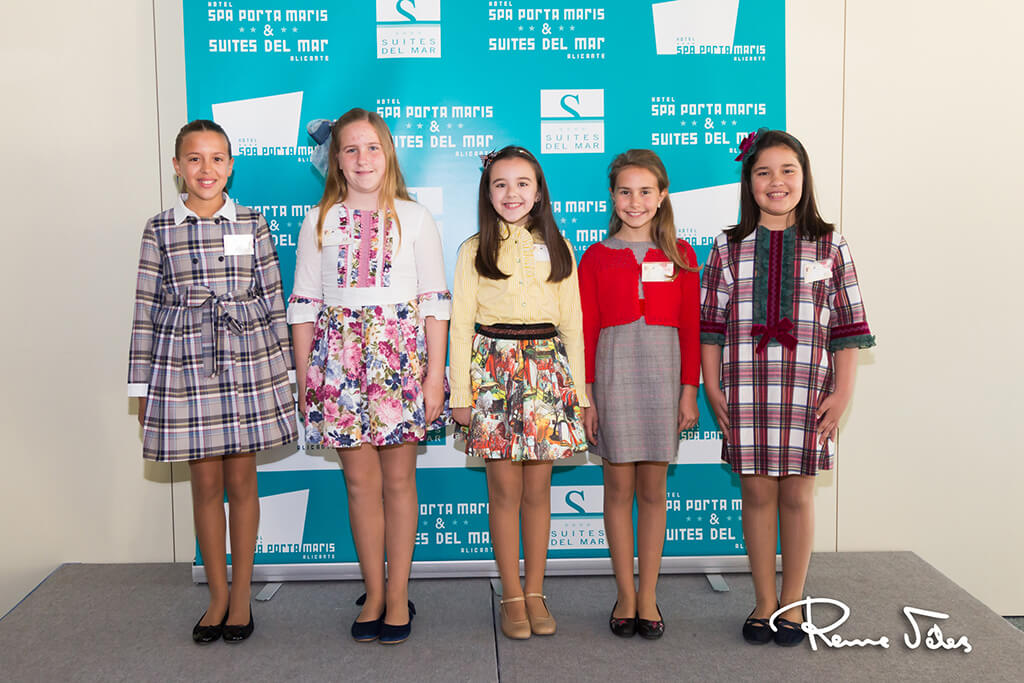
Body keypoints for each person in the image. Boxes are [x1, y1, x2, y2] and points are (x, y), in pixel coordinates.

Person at [699, 129, 875, 646]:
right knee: (756, 492)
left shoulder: (831, 244)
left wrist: (842, 394)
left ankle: (793, 602)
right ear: (749, 182)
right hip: (745, 389)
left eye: (787, 170)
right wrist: (712, 386)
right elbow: (710, 326)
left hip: (808, 391)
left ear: (804, 177)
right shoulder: (727, 247)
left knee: (797, 494)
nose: (776, 182)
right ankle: (763, 601)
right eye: (763, 172)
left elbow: (848, 327)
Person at [128, 119, 297, 643]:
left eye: (217, 158)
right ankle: (217, 596)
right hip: (185, 363)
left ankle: (242, 595)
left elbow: (273, 297)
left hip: (247, 359)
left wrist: (287, 370)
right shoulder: (160, 228)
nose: (207, 169)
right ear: (177, 166)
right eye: (195, 158)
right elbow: (145, 307)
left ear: (231, 165)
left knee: (242, 481)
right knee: (204, 483)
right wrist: (140, 383)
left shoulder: (252, 221)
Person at [288, 108, 450, 645]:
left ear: (388, 154)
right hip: (338, 366)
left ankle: (398, 594)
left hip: (399, 364)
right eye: (351, 149)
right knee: (359, 484)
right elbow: (305, 305)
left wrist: (433, 379)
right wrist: (307, 379)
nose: (363, 159)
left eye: (372, 148)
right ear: (336, 159)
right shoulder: (318, 220)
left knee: (399, 481)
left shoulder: (415, 217)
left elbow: (434, 303)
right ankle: (374, 592)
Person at [450, 146, 588, 639]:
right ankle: (510, 593)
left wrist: (579, 394)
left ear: (539, 191)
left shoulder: (560, 246)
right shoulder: (473, 249)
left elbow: (572, 324)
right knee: (504, 492)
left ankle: (535, 591)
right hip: (494, 371)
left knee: (538, 492)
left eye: (522, 183)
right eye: (501, 184)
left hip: (547, 371)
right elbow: (460, 324)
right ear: (487, 193)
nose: (512, 193)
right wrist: (461, 394)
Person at [578, 149, 700, 639]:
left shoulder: (681, 254)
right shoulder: (595, 256)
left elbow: (691, 328)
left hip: (663, 376)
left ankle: (647, 594)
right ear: (612, 196)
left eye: (646, 191)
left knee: (653, 491)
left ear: (662, 195)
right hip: (613, 376)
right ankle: (625, 594)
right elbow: (585, 329)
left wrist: (688, 392)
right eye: (625, 192)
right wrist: (587, 396)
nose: (635, 201)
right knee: (618, 489)